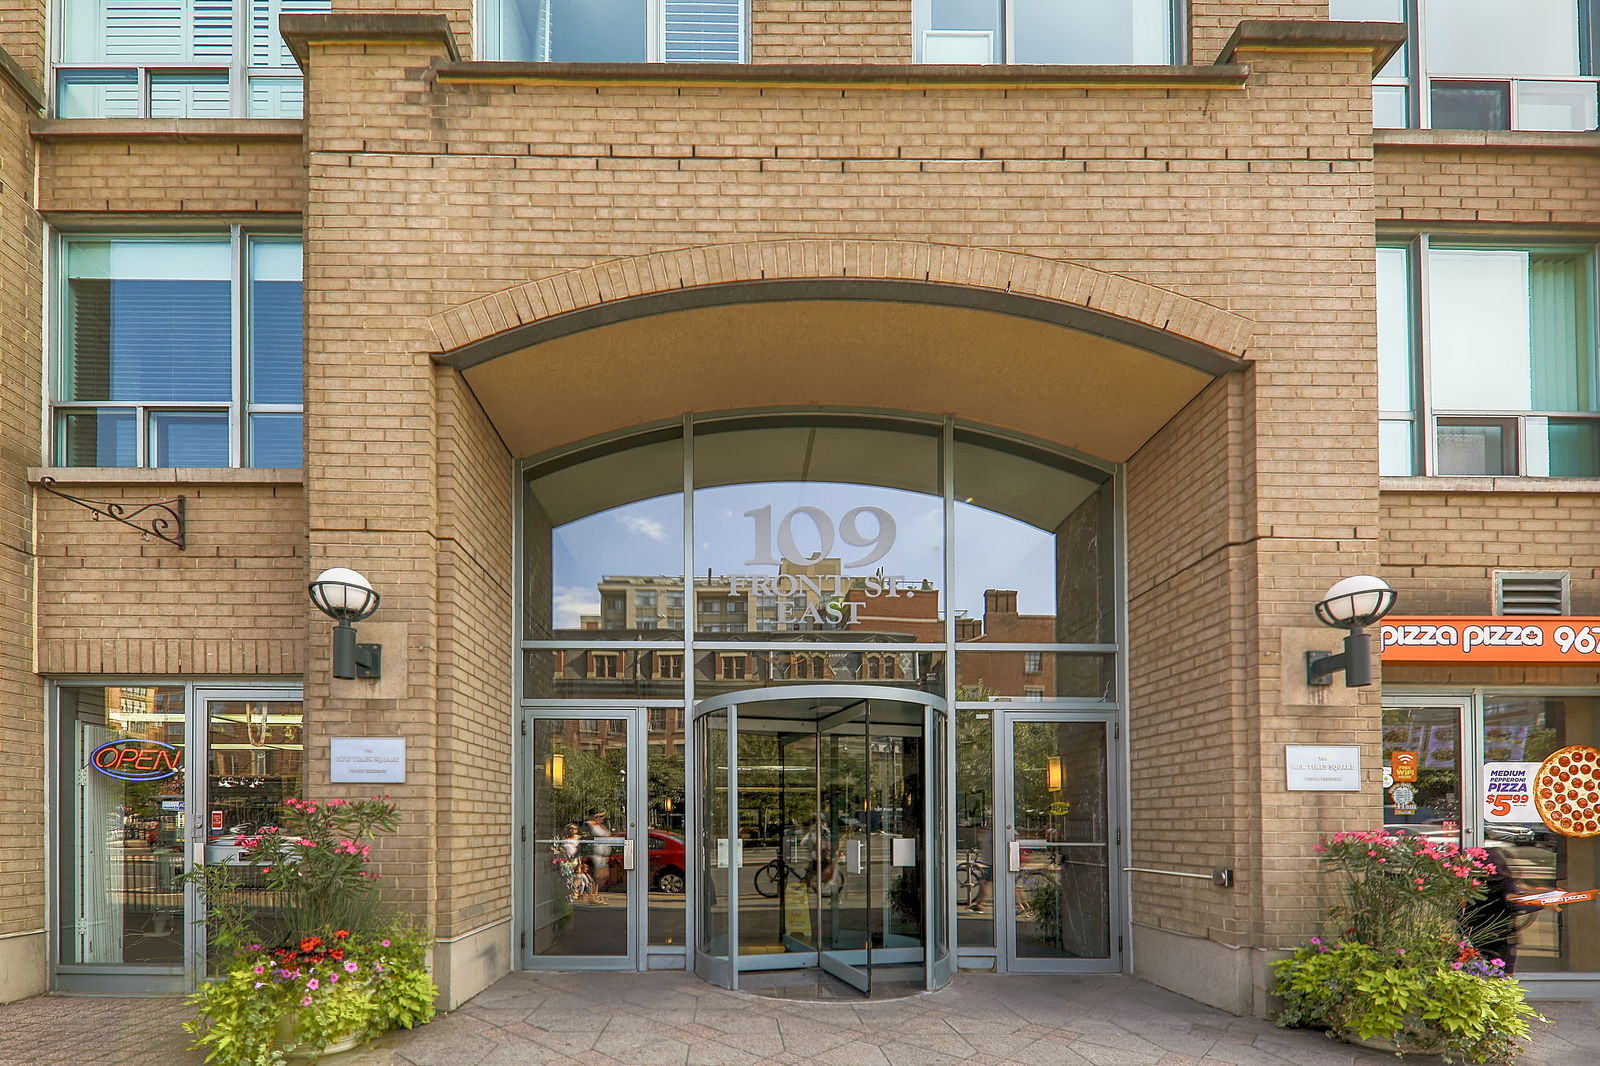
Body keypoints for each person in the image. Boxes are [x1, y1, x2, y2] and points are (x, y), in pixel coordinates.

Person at [1464, 845, 1528, 974]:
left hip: (1474, 932)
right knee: (1501, 973)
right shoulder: (1505, 883)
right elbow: (1517, 904)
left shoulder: (1471, 884)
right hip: (1501, 935)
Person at [584, 808, 615, 893]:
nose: (601, 818)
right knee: (598, 876)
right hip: (597, 854)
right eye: (599, 816)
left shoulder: (602, 826)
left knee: (605, 876)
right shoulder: (589, 825)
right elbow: (587, 836)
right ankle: (593, 894)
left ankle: (595, 893)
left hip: (604, 855)